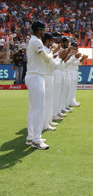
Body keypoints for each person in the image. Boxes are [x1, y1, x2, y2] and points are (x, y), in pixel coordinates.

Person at [25, 20, 64, 150]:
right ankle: (36, 139)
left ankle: (32, 137)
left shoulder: (34, 41)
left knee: (33, 108)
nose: (43, 32)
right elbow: (47, 59)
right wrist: (52, 51)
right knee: (38, 109)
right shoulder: (36, 41)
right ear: (38, 30)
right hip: (36, 76)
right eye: (42, 30)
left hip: (34, 76)